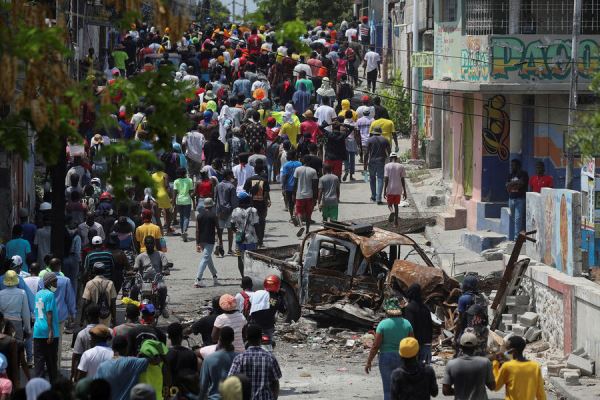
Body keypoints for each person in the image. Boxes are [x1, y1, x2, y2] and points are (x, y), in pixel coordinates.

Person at [365, 298, 414, 400]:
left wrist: (369, 361)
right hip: (403, 358)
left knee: (388, 389)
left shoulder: (382, 324)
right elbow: (411, 344)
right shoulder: (407, 324)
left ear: (387, 310)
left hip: (386, 358)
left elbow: (375, 346)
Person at [228, 324, 281, 399]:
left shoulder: (239, 358)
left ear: (246, 338)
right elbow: (275, 382)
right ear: (261, 338)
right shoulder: (270, 358)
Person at [94, 335, 150, 400]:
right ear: (126, 348)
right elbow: (154, 359)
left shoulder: (102, 366)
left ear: (112, 348)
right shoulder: (134, 362)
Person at [442, 332, 495, 399]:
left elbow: (446, 391)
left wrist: (460, 392)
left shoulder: (451, 364)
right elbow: (492, 387)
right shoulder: (485, 362)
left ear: (460, 346)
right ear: (476, 347)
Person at [493, 335, 546, 400]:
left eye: (507, 349)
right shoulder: (535, 366)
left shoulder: (507, 366)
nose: (504, 352)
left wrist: (495, 363)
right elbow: (541, 393)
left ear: (513, 351)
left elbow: (496, 387)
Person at [131, 237, 169, 317]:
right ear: (145, 244)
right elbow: (135, 268)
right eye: (147, 243)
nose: (149, 245)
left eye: (151, 243)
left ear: (154, 244)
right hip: (143, 281)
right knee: (134, 289)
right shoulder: (140, 256)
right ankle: (134, 310)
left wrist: (166, 270)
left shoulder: (160, 254)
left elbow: (165, 265)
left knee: (162, 288)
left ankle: (162, 308)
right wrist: (133, 272)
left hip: (157, 280)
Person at [33, 272, 60, 382]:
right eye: (55, 281)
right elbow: (49, 313)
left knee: (39, 361)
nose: (57, 283)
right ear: (49, 282)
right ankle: (53, 388)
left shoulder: (38, 294)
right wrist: (50, 331)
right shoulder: (50, 295)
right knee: (51, 362)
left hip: (38, 330)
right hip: (49, 331)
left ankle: (39, 386)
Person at [199, 326, 238, 400]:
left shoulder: (209, 359)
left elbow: (203, 385)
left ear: (220, 339)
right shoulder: (239, 358)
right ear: (233, 339)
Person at [230, 191, 260, 277]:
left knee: (240, 258)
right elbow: (257, 225)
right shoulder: (253, 210)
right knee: (252, 259)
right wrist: (259, 239)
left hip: (239, 240)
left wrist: (238, 232)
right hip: (252, 239)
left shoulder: (235, 210)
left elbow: (232, 226)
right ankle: (251, 276)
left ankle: (243, 277)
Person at [248, 276, 286, 343]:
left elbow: (250, 302)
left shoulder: (258, 293)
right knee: (270, 343)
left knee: (250, 343)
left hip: (254, 324)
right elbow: (283, 310)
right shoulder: (277, 299)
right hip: (268, 326)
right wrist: (282, 297)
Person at [402, 284, 433, 365]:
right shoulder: (426, 308)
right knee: (424, 370)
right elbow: (430, 326)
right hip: (426, 343)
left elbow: (409, 326)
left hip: (414, 343)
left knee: (413, 370)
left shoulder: (409, 308)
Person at [243, 162, 271, 247]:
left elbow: (245, 192)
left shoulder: (249, 179)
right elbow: (266, 194)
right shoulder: (264, 180)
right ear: (262, 170)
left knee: (251, 223)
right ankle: (260, 240)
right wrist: (266, 202)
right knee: (261, 222)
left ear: (254, 170)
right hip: (261, 205)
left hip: (251, 205)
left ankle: (253, 240)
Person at [165, 322, 198, 394]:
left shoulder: (166, 354)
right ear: (182, 336)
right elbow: (195, 374)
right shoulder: (191, 354)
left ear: (169, 337)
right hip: (187, 391)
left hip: (172, 391)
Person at [0, 270, 31, 342]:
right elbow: (25, 313)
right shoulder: (22, 293)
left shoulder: (0, 294)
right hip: (17, 325)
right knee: (17, 348)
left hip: (3, 325)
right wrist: (28, 329)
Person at [72, 304, 101, 381]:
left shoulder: (81, 334)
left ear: (87, 316)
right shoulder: (108, 332)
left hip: (85, 375)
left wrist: (73, 375)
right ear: (99, 315)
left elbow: (76, 357)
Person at [195, 198, 219, 288]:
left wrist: (197, 243)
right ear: (212, 206)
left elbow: (197, 230)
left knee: (208, 259)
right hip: (210, 240)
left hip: (201, 240)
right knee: (205, 258)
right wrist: (220, 241)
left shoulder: (199, 216)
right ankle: (198, 279)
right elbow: (218, 229)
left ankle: (215, 277)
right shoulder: (214, 215)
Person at [293, 156, 319, 237]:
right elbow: (315, 185)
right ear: (310, 162)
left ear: (302, 161)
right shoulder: (313, 171)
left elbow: (295, 183)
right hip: (310, 195)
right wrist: (315, 197)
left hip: (299, 195)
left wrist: (293, 194)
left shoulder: (297, 169)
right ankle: (307, 230)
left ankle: (301, 226)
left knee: (299, 212)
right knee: (308, 214)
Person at [366, 127, 391, 204]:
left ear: (373, 132)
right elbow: (389, 152)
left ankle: (373, 196)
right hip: (381, 161)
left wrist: (364, 164)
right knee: (380, 179)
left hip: (372, 161)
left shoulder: (369, 140)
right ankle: (378, 199)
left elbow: (366, 153)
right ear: (380, 132)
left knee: (372, 179)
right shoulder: (385, 140)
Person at [215, 170, 238, 256]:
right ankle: (229, 249)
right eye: (231, 175)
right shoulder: (231, 186)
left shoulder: (218, 185)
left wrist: (217, 210)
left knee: (219, 231)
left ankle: (219, 246)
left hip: (220, 211)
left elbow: (215, 198)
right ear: (228, 175)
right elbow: (234, 201)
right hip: (229, 211)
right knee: (230, 231)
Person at [506, 159, 528, 241]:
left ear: (518, 166)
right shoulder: (510, 175)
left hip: (520, 199)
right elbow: (507, 186)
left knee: (518, 218)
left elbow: (521, 184)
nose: (512, 167)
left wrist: (512, 185)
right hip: (511, 199)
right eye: (511, 165)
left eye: (513, 165)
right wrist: (515, 184)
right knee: (514, 218)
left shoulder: (523, 174)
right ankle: (520, 235)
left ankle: (516, 238)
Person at [384, 152, 407, 227]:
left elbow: (386, 179)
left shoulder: (387, 166)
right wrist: (404, 191)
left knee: (389, 204)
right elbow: (402, 179)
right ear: (396, 158)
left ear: (390, 158)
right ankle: (396, 223)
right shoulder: (401, 166)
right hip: (398, 189)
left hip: (390, 188)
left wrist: (384, 190)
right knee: (396, 205)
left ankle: (392, 211)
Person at [280, 150, 302, 226]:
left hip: (289, 187)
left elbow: (284, 177)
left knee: (290, 202)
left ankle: (291, 216)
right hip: (298, 186)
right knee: (297, 202)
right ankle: (297, 216)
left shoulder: (286, 165)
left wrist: (283, 187)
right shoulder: (299, 164)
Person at [172, 167, 194, 242]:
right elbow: (191, 193)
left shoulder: (176, 181)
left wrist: (173, 204)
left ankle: (182, 232)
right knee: (186, 217)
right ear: (185, 173)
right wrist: (194, 202)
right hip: (187, 201)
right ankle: (184, 231)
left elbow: (174, 194)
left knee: (181, 217)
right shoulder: (190, 180)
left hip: (179, 201)